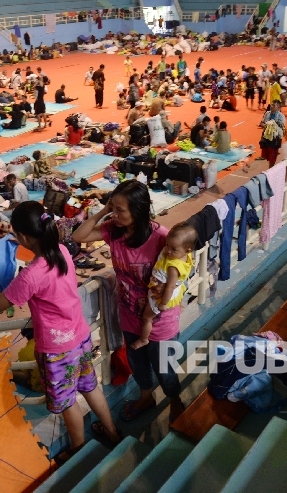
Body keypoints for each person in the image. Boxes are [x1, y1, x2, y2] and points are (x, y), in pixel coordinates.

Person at [0, 201, 121, 461]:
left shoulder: (31, 275)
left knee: (67, 403)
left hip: (57, 350)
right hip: (80, 336)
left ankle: (79, 449)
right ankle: (112, 433)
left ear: (23, 237)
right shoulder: (62, 252)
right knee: (90, 387)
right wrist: (14, 235)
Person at [71, 181, 184, 422]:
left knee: (165, 368)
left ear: (139, 209)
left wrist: (163, 295)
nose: (116, 214)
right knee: (139, 364)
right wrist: (103, 211)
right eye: (114, 208)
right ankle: (146, 397)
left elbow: (183, 269)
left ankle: (176, 400)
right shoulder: (113, 230)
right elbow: (78, 236)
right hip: (129, 315)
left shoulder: (162, 239)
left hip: (159, 321)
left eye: (121, 210)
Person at [134, 222, 196, 349]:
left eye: (173, 249)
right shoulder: (184, 254)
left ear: (187, 250)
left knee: (147, 318)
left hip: (161, 296)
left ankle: (143, 339)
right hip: (171, 290)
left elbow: (170, 287)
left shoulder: (173, 267)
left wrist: (162, 303)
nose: (168, 250)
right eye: (167, 245)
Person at [13, 327, 43, 393]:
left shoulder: (23, 352)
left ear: (22, 334)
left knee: (9, 371)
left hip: (39, 387)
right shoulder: (48, 342)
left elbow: (25, 375)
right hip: (55, 383)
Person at [258, 100, 286, 167]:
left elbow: (282, 128)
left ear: (279, 108)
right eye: (271, 104)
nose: (271, 106)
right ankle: (264, 157)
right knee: (265, 151)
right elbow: (261, 123)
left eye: (274, 105)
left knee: (272, 157)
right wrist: (264, 125)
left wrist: (273, 126)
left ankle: (271, 169)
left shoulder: (281, 116)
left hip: (274, 139)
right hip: (266, 136)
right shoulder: (267, 113)